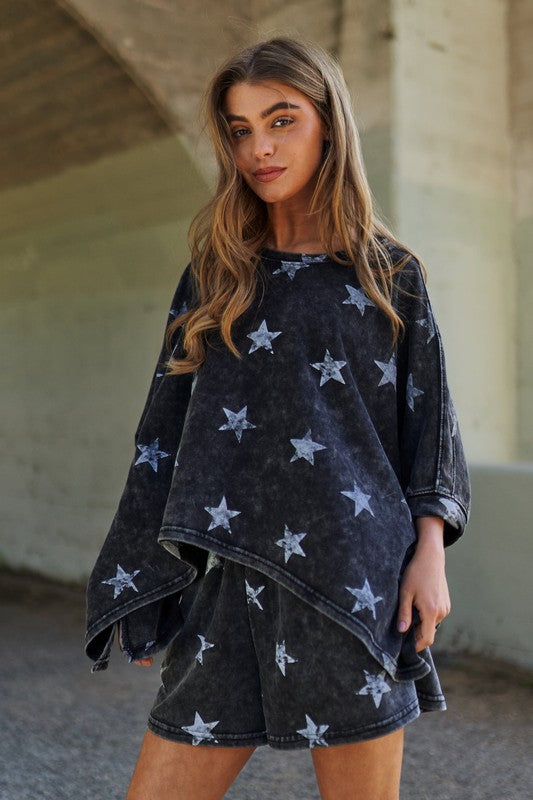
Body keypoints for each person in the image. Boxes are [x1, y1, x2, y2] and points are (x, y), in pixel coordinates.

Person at [85, 36, 471, 800]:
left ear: (328, 123)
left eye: (281, 120)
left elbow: (430, 426)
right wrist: (142, 573)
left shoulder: (390, 275)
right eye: (240, 129)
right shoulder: (215, 274)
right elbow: (161, 434)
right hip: (229, 579)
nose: (258, 148)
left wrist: (430, 552)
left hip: (352, 583)